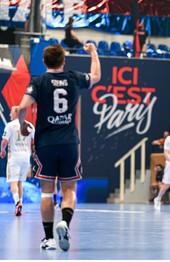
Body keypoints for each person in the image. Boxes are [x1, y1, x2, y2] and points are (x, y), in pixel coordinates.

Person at [18, 43, 101, 251]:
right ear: (63, 61)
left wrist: (22, 126)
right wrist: (93, 52)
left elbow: (22, 107)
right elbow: (96, 76)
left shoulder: (38, 81)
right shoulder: (73, 78)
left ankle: (48, 239)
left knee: (47, 192)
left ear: (44, 61)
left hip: (46, 144)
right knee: (70, 189)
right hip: (69, 143)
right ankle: (65, 222)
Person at [0, 106, 35, 216]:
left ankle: (17, 203)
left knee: (13, 182)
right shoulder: (30, 126)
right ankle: (20, 206)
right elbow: (36, 141)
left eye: (11, 112)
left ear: (16, 114)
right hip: (26, 158)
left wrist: (2, 150)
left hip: (14, 157)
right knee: (20, 182)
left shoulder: (10, 126)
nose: (10, 115)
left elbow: (4, 141)